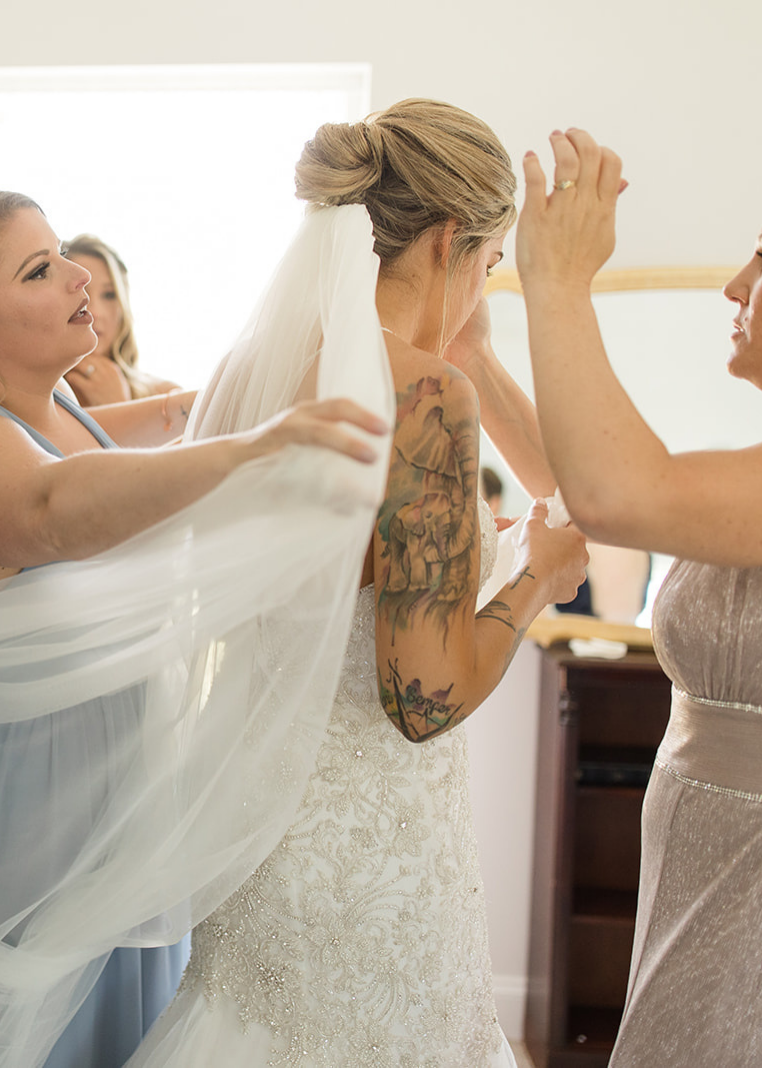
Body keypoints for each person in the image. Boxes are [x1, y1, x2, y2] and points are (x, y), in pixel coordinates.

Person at [0, 180, 392, 1068]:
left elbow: (179, 418)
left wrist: (329, 330)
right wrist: (254, 447)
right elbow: (57, 507)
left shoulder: (52, 411)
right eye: (40, 270)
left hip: (94, 811)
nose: (77, 281)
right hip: (10, 825)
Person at [130, 99, 588, 1066]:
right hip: (371, 869)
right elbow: (423, 699)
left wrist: (475, 354)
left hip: (264, 842)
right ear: (456, 239)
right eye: (492, 263)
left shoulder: (251, 370)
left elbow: (559, 489)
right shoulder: (422, 399)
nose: (485, 287)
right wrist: (534, 585)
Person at [517, 128, 762, 1066]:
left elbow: (617, 493)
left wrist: (559, 282)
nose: (734, 285)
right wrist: (477, 358)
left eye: (761, 258)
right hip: (704, 847)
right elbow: (593, 486)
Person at [59, 234, 180, 407]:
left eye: (109, 295)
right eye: (81, 292)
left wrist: (119, 404)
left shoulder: (166, 398)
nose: (95, 312)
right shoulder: (35, 400)